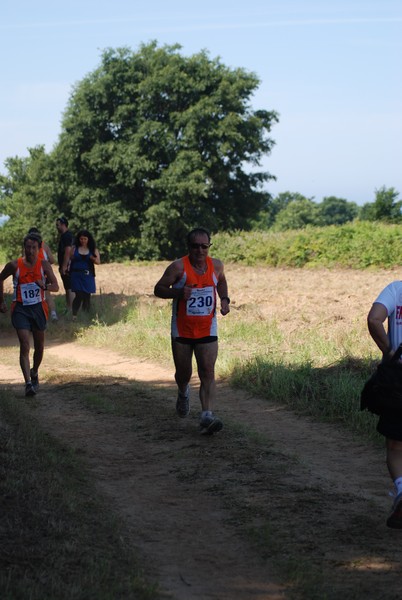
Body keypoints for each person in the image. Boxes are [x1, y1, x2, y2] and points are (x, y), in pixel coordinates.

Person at [154, 227, 230, 434]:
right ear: (189, 247)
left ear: (209, 247)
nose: (200, 250)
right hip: (182, 329)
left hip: (207, 327)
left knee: (207, 371)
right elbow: (158, 289)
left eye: (204, 246)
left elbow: (221, 281)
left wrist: (224, 299)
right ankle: (183, 391)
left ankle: (207, 415)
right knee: (184, 372)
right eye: (195, 246)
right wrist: (178, 292)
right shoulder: (178, 267)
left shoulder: (216, 266)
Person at [0, 232, 59, 396]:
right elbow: (0, 278)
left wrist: (44, 286)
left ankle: (34, 372)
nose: (30, 250)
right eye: (28, 247)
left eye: (34, 247)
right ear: (24, 248)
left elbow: (56, 286)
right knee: (25, 344)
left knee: (39, 347)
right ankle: (28, 384)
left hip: (39, 308)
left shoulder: (44, 265)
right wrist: (1, 301)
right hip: (20, 308)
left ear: (39, 248)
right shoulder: (14, 265)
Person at [367, 281, 402, 528]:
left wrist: (389, 353)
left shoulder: (396, 290)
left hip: (398, 379)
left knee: (396, 445)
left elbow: (373, 320)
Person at [28, 227, 59, 321]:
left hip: (31, 273)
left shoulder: (27, 246)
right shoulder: (44, 246)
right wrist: (45, 264)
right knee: (47, 293)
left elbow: (25, 260)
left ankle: (34, 315)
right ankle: (53, 314)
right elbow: (53, 260)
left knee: (32, 295)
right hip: (44, 272)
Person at [68, 229, 100, 319]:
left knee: (86, 296)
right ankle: (74, 315)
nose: (83, 241)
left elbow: (98, 261)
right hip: (76, 275)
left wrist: (92, 258)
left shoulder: (93, 249)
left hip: (88, 275)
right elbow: (69, 258)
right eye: (81, 239)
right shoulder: (74, 248)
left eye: (85, 239)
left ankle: (86, 315)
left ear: (88, 239)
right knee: (78, 295)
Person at [56, 216, 74, 312]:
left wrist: (64, 266)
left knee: (70, 287)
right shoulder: (65, 236)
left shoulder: (66, 236)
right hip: (67, 265)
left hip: (68, 266)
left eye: (58, 225)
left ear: (63, 225)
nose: (56, 227)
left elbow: (68, 250)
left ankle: (71, 309)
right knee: (68, 287)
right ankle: (69, 308)